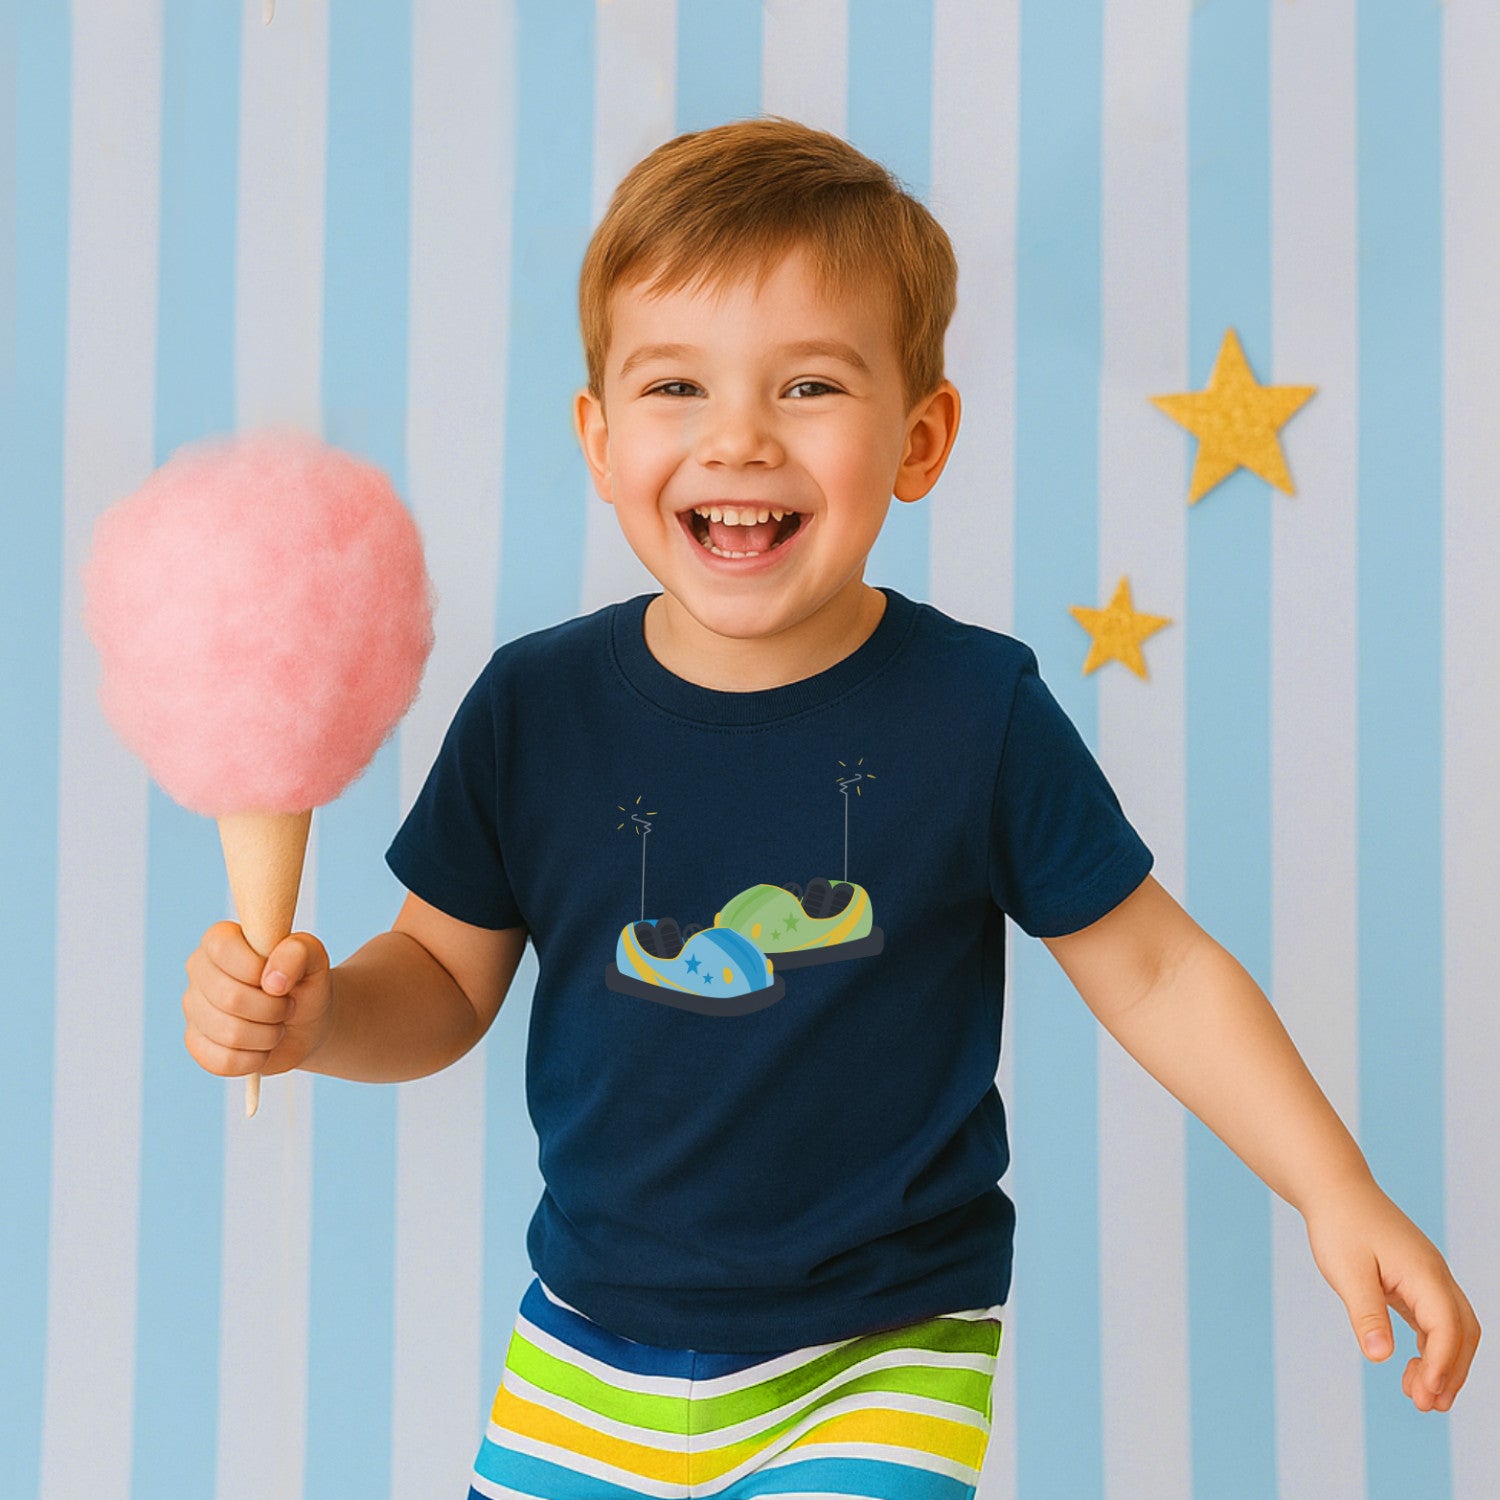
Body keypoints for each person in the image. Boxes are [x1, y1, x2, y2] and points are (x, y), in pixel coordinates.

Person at [182, 119, 1479, 1498]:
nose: (738, 436)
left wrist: (1335, 1188)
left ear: (919, 439)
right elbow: (441, 980)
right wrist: (317, 1019)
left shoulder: (976, 713)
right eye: (677, 385)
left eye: (808, 386)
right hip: (586, 1344)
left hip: (883, 1349)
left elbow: (1157, 972)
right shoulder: (532, 710)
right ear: (599, 436)